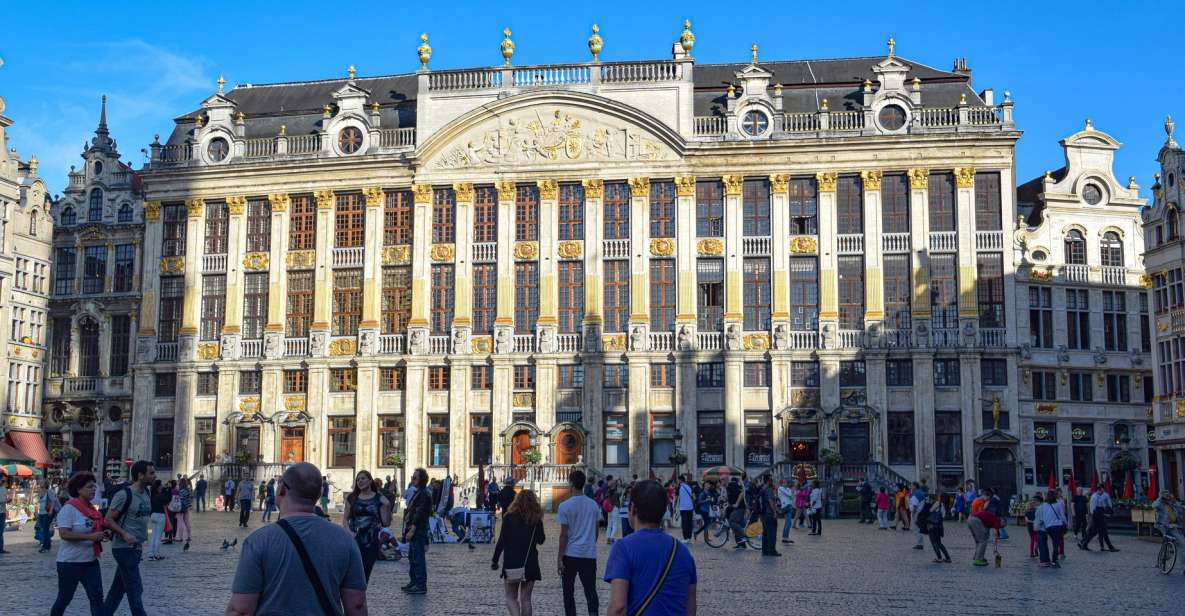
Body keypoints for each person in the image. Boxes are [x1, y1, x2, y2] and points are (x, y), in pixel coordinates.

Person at [225, 462, 368, 616]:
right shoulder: (346, 540)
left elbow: (241, 610)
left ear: (282, 490)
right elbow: (357, 605)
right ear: (319, 494)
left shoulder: (258, 541)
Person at [604, 480, 697, 616]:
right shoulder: (683, 551)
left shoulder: (623, 548)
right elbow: (691, 607)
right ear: (664, 510)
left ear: (633, 508)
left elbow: (618, 607)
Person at [50, 471, 106, 616]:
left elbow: (94, 529)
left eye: (94, 486)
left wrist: (103, 534)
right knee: (65, 598)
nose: (94, 489)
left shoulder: (92, 510)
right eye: (89, 487)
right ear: (79, 490)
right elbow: (64, 534)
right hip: (70, 563)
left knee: (97, 597)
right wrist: (91, 537)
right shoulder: (69, 509)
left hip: (90, 561)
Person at [103, 459, 155, 616]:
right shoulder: (123, 495)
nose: (154, 476)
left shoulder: (147, 492)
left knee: (117, 591)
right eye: (151, 473)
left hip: (136, 548)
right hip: (123, 548)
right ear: (140, 475)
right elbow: (108, 519)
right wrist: (124, 534)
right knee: (135, 589)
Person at [492, 490, 546, 616]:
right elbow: (541, 540)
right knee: (526, 599)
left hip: (512, 562)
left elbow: (501, 541)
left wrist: (495, 560)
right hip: (530, 563)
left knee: (511, 597)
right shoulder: (536, 519)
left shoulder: (509, 518)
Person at [557, 470, 600, 616]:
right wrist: (589, 544)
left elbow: (564, 535)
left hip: (570, 554)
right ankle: (593, 613)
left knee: (568, 591)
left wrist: (559, 558)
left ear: (570, 483)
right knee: (590, 590)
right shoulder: (593, 505)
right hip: (588, 554)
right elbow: (595, 532)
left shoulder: (564, 506)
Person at [343, 470, 392, 582]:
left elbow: (386, 523)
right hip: (354, 539)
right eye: (358, 479)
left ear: (370, 480)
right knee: (352, 571)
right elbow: (345, 519)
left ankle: (360, 596)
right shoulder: (352, 497)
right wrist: (348, 532)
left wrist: (388, 506)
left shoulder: (378, 498)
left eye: (363, 478)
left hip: (371, 541)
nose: (360, 481)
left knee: (365, 573)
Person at [401, 468, 432, 595]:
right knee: (412, 556)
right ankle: (413, 582)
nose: (412, 480)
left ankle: (420, 584)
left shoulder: (424, 493)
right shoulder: (419, 492)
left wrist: (412, 530)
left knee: (418, 557)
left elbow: (420, 514)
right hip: (413, 528)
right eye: (412, 477)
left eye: (415, 478)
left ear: (421, 480)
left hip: (418, 530)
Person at [1078, 484, 1118, 552]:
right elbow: (1093, 510)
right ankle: (1110, 547)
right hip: (1097, 517)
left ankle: (1084, 544)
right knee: (1099, 532)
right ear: (1100, 489)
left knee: (1094, 532)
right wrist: (1102, 515)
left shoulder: (1101, 495)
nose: (1104, 490)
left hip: (1100, 515)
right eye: (1103, 489)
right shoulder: (1094, 497)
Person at [1036, 489, 1068, 568]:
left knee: (1052, 542)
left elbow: (1043, 516)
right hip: (1057, 526)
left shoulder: (1044, 505)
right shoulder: (1058, 504)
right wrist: (1066, 523)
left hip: (1048, 527)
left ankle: (1050, 559)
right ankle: (1054, 560)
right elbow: (1062, 515)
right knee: (1056, 544)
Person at [919, 494, 950, 563]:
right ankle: (948, 557)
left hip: (932, 525)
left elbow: (930, 510)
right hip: (938, 526)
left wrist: (927, 504)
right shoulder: (942, 505)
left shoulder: (938, 503)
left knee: (934, 542)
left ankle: (939, 558)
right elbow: (943, 515)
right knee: (939, 543)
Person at [36, 479, 60, 553]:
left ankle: (46, 546)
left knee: (45, 529)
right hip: (41, 513)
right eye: (40, 482)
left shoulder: (49, 491)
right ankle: (47, 545)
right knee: (43, 529)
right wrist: (37, 511)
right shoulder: (40, 492)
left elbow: (53, 501)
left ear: (45, 483)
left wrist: (50, 510)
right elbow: (38, 502)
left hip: (47, 513)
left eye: (42, 482)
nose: (40, 483)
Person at [147, 480, 168, 561]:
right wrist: (166, 490)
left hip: (152, 516)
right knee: (158, 537)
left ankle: (150, 554)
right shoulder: (160, 495)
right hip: (160, 516)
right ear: (158, 486)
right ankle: (156, 554)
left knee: (151, 536)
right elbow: (167, 499)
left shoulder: (151, 495)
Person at [758, 475, 780, 556]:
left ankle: (765, 550)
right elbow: (771, 501)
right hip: (769, 514)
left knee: (765, 533)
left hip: (763, 514)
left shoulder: (762, 489)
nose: (772, 482)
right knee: (772, 533)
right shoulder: (769, 490)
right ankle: (772, 551)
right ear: (768, 481)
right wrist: (775, 512)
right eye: (771, 480)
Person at [724, 476, 748, 548]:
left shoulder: (732, 485)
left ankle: (745, 534)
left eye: (722, 480)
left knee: (732, 522)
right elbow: (732, 497)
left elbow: (741, 493)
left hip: (740, 508)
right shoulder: (728, 487)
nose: (720, 482)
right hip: (737, 508)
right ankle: (741, 544)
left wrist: (737, 503)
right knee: (737, 525)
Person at [676, 474, 695, 544]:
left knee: (684, 523)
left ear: (680, 480)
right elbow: (693, 496)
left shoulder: (680, 487)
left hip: (683, 508)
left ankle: (685, 537)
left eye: (678, 480)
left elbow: (677, 496)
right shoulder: (688, 487)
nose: (677, 481)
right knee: (689, 523)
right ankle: (689, 537)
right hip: (690, 507)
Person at [176, 476, 193, 550]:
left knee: (180, 522)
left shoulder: (179, 491)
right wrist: (189, 505)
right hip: (186, 507)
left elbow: (177, 499)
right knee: (187, 522)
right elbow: (190, 498)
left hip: (180, 507)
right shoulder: (188, 490)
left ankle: (180, 537)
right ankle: (189, 536)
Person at [1024, 493, 1043, 558]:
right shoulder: (1031, 511)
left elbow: (1027, 520)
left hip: (1032, 527)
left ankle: (1033, 551)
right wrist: (1033, 521)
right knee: (1035, 539)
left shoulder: (1032, 511)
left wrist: (1032, 521)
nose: (1032, 505)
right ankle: (1034, 550)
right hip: (1033, 527)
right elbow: (1027, 520)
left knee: (1034, 540)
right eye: (1032, 504)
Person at [778, 479, 796, 543]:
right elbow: (789, 494)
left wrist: (791, 492)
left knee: (788, 522)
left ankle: (785, 537)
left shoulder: (788, 489)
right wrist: (792, 491)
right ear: (781, 483)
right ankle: (786, 537)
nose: (786, 483)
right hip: (785, 506)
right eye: (784, 482)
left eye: (786, 482)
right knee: (788, 522)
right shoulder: (780, 488)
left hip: (789, 505)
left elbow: (792, 497)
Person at [0, 472, 8, 554]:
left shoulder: (4, 489)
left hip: (2, 512)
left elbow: (4, 500)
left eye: (4, 480)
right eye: (2, 480)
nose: (4, 481)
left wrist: (7, 501)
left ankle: (1, 549)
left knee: (1, 531)